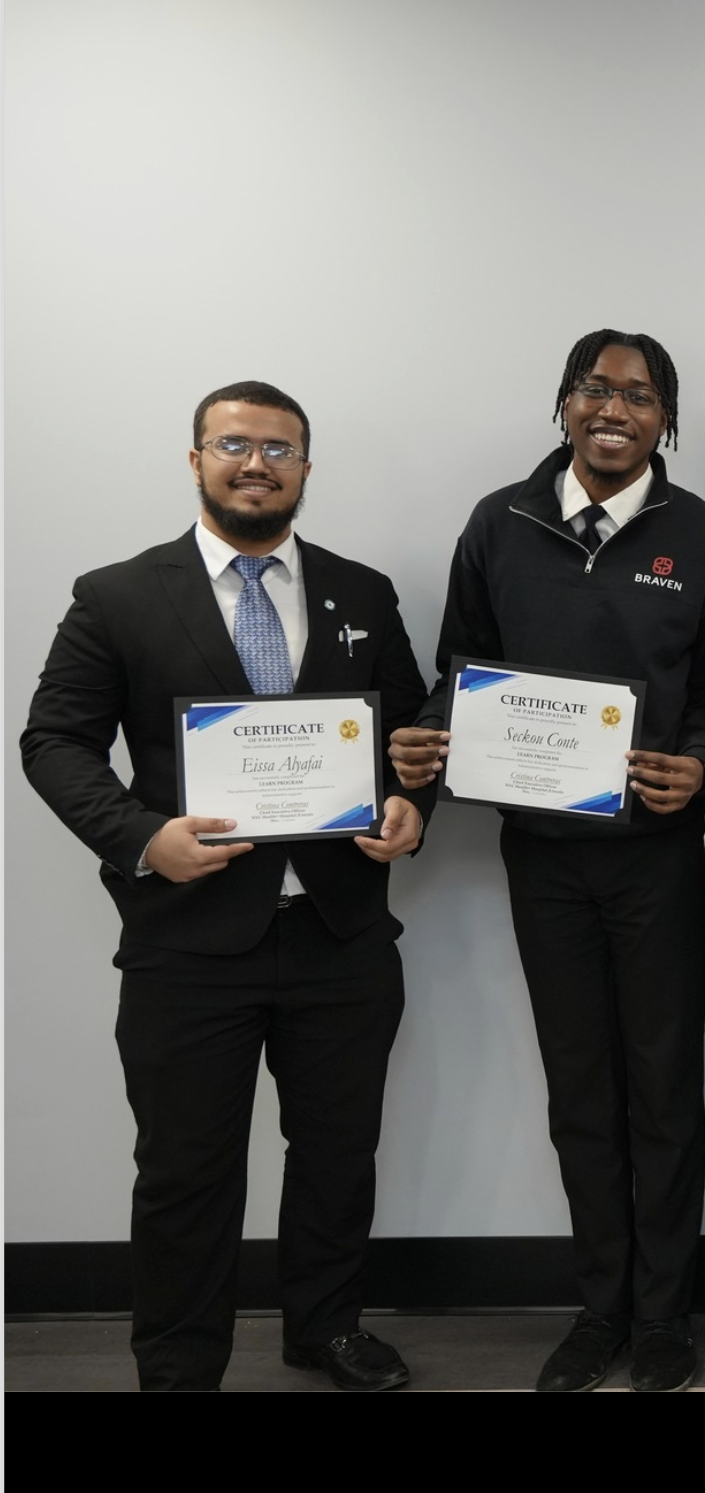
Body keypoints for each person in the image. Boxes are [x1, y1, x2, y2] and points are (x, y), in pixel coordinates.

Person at [21, 381, 432, 1391]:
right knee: (185, 1172)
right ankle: (178, 1362)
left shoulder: (362, 591)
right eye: (236, 444)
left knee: (338, 1154)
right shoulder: (117, 594)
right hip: (187, 938)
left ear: (304, 465)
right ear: (196, 457)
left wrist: (410, 805)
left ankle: (324, 1327)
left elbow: (414, 738)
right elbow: (54, 742)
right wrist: (139, 836)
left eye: (281, 448)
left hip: (339, 931)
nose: (259, 464)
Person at [389, 330, 705, 1392]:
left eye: (639, 395)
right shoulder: (497, 523)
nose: (615, 407)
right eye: (595, 388)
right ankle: (600, 1308)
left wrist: (695, 766)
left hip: (656, 860)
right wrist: (426, 744)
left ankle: (663, 1318)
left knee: (662, 1087)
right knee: (580, 1088)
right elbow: (457, 674)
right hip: (541, 857)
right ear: (561, 405)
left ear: (664, 421)